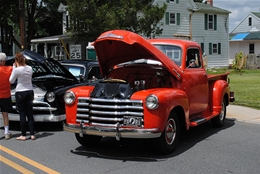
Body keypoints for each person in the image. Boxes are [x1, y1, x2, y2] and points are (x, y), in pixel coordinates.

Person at [9, 52, 36, 141]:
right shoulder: (30, 68)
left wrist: (14, 68)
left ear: (16, 61)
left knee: (22, 114)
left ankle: (23, 135)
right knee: (30, 114)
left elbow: (11, 81)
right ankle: (32, 134)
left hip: (20, 91)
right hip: (30, 91)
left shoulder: (17, 70)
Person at [0, 53, 13, 140]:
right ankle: (6, 133)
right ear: (4, 61)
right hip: (6, 95)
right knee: (5, 115)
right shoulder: (9, 69)